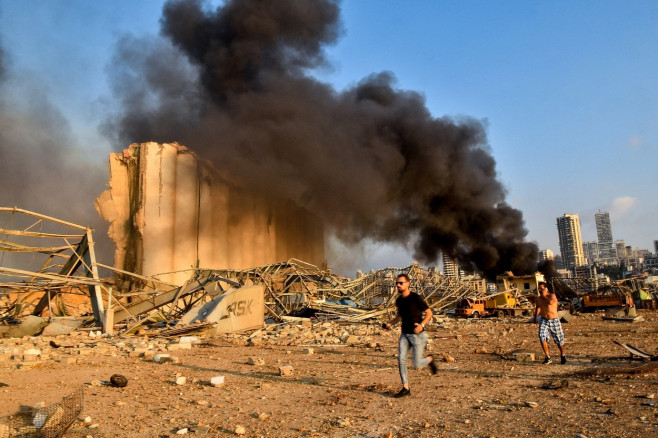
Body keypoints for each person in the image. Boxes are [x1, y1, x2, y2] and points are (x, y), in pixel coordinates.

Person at [382, 273, 437, 398]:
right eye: (397, 283)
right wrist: (389, 324)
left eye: (401, 283)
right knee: (401, 359)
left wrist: (421, 325)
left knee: (417, 364)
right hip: (404, 334)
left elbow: (429, 313)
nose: (398, 285)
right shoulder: (399, 300)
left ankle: (430, 359)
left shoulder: (416, 298)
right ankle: (405, 387)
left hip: (417, 336)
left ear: (408, 284)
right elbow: (399, 317)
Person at [531, 281, 566, 364]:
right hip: (544, 319)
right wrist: (535, 317)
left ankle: (563, 355)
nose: (540, 290)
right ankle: (547, 357)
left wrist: (543, 295)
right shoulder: (538, 299)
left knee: (558, 339)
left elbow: (550, 302)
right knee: (542, 336)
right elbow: (538, 307)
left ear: (546, 288)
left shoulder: (552, 296)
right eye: (539, 289)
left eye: (541, 288)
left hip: (554, 320)